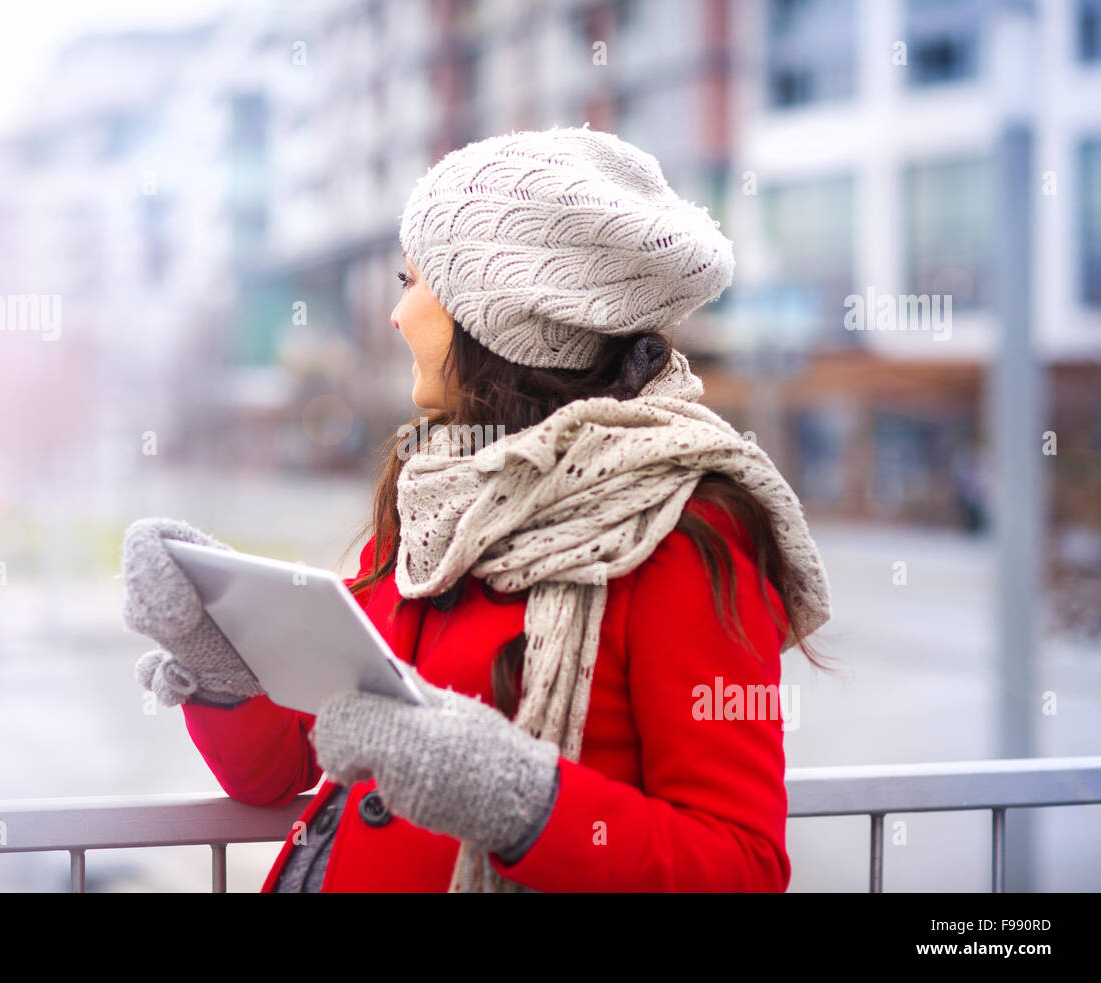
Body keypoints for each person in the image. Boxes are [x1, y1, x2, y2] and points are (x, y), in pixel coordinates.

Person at [121, 124, 835, 893]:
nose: (398, 317)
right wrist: (222, 659)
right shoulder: (430, 497)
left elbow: (741, 866)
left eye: (413, 282)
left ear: (502, 308)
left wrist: (514, 798)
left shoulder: (681, 527)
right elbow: (291, 761)